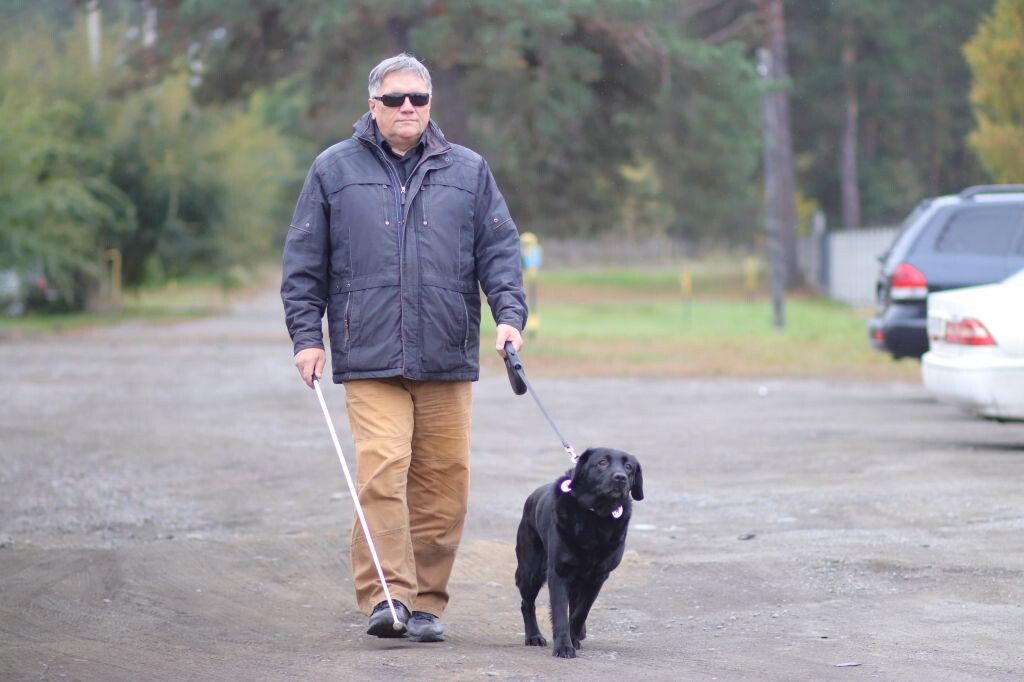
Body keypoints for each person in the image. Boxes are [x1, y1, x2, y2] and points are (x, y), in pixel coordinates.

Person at [280, 53, 527, 643]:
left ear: (430, 104)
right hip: (370, 357)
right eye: (394, 99)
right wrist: (306, 338)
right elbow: (304, 262)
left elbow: (500, 251)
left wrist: (509, 317)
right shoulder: (333, 170)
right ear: (373, 106)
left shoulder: (468, 171)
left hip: (446, 355)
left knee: (445, 483)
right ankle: (387, 598)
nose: (407, 108)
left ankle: (426, 605)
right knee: (383, 472)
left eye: (417, 98)